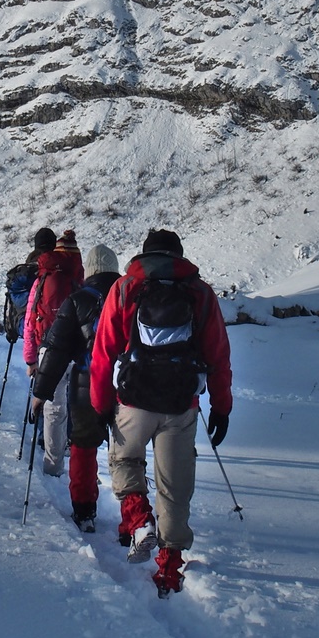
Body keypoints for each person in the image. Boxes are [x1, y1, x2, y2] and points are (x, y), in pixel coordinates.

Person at [90, 229, 232, 597]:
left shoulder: (124, 288)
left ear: (145, 255)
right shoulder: (200, 292)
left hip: (133, 400)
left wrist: (100, 404)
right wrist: (221, 406)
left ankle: (139, 519)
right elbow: (218, 355)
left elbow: (103, 352)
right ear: (178, 256)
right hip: (180, 404)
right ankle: (169, 568)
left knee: (124, 460)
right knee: (175, 485)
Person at [29, 243, 122, 532]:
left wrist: (41, 392)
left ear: (89, 270)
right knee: (128, 454)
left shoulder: (77, 300)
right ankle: (133, 521)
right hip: (126, 386)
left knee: (83, 447)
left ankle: (84, 511)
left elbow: (56, 350)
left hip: (86, 386)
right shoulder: (131, 296)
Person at [23, 229, 84, 475]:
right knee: (75, 406)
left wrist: (30, 358)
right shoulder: (80, 279)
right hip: (76, 351)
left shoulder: (43, 279)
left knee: (53, 408)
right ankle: (74, 454)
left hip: (47, 350)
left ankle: (52, 465)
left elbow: (30, 322)